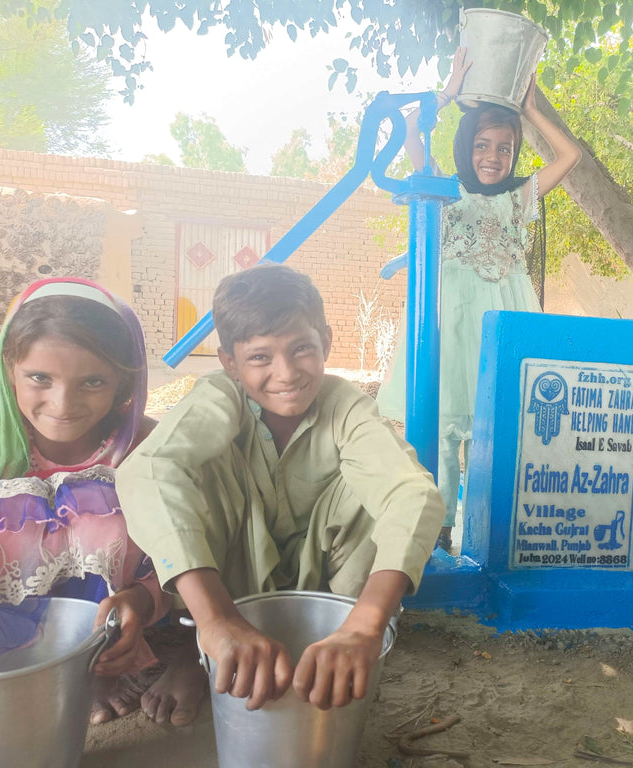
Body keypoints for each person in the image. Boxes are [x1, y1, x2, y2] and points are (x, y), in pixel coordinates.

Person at [117, 264, 445, 712]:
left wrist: (365, 625)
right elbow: (145, 471)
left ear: (326, 342)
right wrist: (216, 619)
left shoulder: (345, 408)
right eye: (259, 357)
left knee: (385, 491)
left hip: (331, 594)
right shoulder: (219, 397)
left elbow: (414, 496)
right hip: (233, 585)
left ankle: (340, 643)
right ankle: (203, 649)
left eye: (301, 349)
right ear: (229, 361)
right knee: (183, 471)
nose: (286, 373)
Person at [377, 47, 582, 550]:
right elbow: (410, 130)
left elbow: (570, 157)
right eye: (483, 145)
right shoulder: (443, 190)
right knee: (446, 421)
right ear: (466, 147)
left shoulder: (520, 198)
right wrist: (449, 93)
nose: (493, 157)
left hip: (507, 319)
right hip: (453, 320)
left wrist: (529, 111)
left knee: (500, 426)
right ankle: (438, 533)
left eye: (505, 148)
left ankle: (493, 536)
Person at [0, 277, 170, 721]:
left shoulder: (149, 448)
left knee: (119, 514)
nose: (62, 402)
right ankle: (11, 663)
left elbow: (184, 547)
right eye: (40, 378)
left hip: (127, 618)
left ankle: (115, 666)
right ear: (9, 367)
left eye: (92, 381)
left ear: (123, 382)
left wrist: (141, 602)